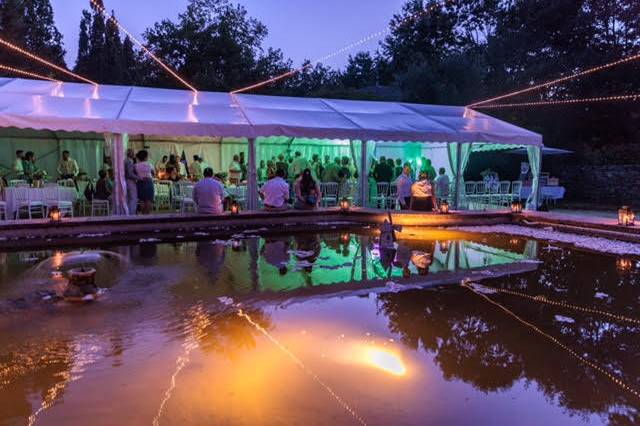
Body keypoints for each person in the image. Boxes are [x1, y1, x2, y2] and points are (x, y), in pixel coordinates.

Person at [134, 150, 154, 214]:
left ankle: (143, 214)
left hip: (140, 182)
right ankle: (147, 215)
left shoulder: (135, 165)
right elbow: (153, 173)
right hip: (148, 182)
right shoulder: (149, 164)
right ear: (145, 157)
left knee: (142, 200)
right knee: (148, 199)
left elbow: (134, 174)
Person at [125, 148, 138, 215]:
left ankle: (128, 213)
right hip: (130, 181)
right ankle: (131, 213)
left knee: (128, 198)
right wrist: (138, 177)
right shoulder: (130, 161)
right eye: (133, 153)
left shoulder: (125, 160)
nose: (134, 154)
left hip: (126, 181)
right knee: (133, 198)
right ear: (130, 154)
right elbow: (130, 174)